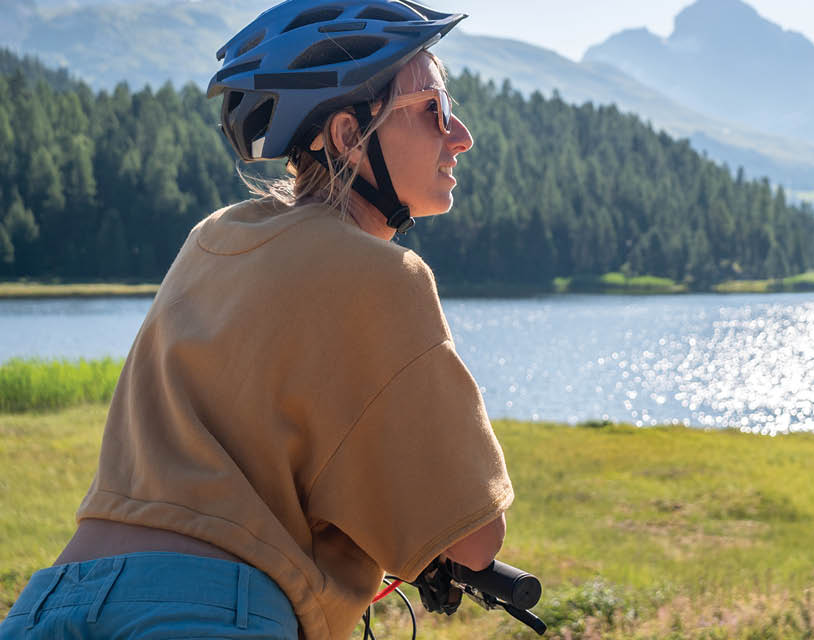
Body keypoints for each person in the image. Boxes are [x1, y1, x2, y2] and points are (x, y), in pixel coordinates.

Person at [0, 2, 513, 639]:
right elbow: (475, 540)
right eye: (434, 108)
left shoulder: (214, 237)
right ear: (350, 135)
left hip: (53, 602)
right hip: (204, 615)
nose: (459, 134)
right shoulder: (385, 275)